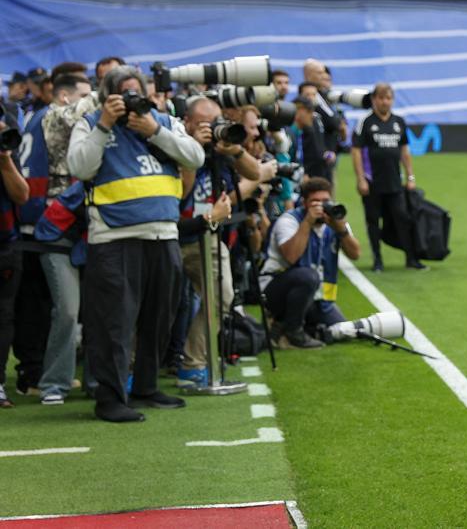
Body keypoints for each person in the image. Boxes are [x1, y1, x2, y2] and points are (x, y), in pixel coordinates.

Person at [68, 65, 205, 422]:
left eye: (136, 92)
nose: (131, 100)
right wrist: (104, 126)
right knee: (113, 323)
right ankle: (110, 398)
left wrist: (155, 130)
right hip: (114, 237)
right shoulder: (92, 122)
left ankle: (146, 386)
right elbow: (80, 167)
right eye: (122, 93)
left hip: (163, 234)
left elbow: (195, 157)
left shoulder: (162, 121)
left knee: (159, 317)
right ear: (107, 96)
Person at [175, 97, 260, 387]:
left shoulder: (222, 150)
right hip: (173, 235)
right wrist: (193, 149)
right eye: (203, 125)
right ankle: (138, 366)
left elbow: (255, 174)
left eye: (215, 124)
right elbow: (180, 193)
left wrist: (234, 150)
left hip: (208, 236)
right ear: (187, 122)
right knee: (158, 305)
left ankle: (193, 361)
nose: (211, 130)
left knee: (222, 297)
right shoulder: (173, 142)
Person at [33, 69, 91, 404]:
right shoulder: (52, 116)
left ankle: (99, 381)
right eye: (85, 94)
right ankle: (54, 383)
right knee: (67, 310)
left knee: (98, 310)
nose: (90, 99)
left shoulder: (99, 128)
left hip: (94, 225)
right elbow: (74, 117)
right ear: (65, 96)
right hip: (57, 227)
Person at [259, 177, 359, 349]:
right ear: (304, 203)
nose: (321, 207)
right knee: (308, 276)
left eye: (326, 201)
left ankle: (285, 328)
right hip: (274, 291)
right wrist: (307, 223)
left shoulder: (334, 221)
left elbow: (355, 254)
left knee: (339, 329)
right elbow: (291, 256)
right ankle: (292, 331)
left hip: (317, 297)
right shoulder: (288, 221)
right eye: (315, 202)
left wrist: (341, 230)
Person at [351, 83, 424, 271]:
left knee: (403, 218)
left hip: (394, 181)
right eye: (381, 98)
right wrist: (360, 179)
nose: (385, 102)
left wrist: (410, 176)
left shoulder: (399, 121)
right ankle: (377, 259)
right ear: (374, 100)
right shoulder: (365, 121)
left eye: (388, 98)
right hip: (372, 181)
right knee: (373, 220)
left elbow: (404, 151)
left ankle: (411, 258)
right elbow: (356, 151)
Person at [0, 117, 31, 408]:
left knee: (4, 316)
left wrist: (5, 158)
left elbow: (22, 194)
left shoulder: (6, 149)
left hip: (5, 244)